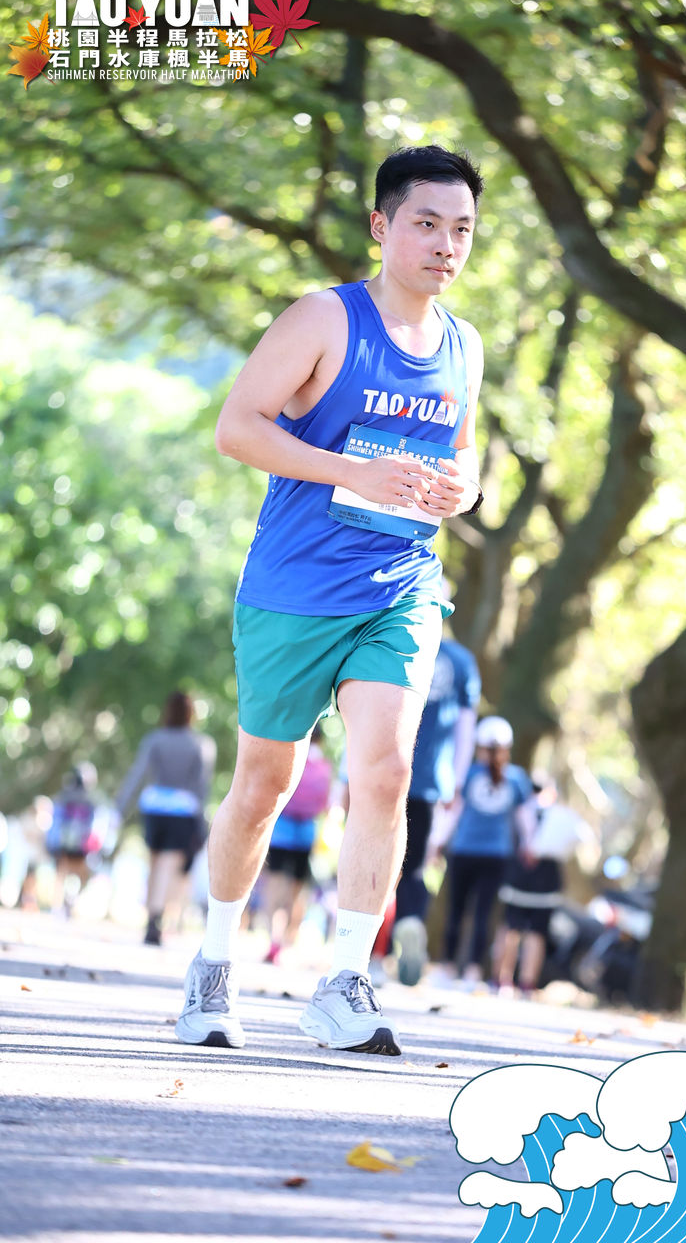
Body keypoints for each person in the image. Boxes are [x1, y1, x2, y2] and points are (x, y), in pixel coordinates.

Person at [175, 145, 485, 1057]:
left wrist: (461, 491)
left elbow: (465, 455)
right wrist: (352, 471)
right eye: (425, 224)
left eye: (461, 229)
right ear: (382, 226)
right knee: (263, 787)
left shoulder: (464, 345)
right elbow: (237, 428)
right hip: (295, 589)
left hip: (400, 584)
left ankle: (346, 980)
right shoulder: (323, 318)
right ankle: (213, 962)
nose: (444, 244)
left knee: (385, 771)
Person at [391, 634, 481, 986]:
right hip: (431, 780)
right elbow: (465, 728)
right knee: (414, 866)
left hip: (385, 769)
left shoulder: (395, 635)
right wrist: (456, 782)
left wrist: (347, 776)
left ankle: (368, 954)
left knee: (378, 858)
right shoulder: (462, 661)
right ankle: (410, 919)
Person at [438, 716, 535, 984]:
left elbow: (452, 813)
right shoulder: (517, 778)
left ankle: (447, 966)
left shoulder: (468, 774)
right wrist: (529, 845)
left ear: (479, 746)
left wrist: (437, 843)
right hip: (496, 855)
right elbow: (525, 818)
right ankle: (472, 970)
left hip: (464, 851)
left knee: (456, 910)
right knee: (482, 914)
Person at [116, 691, 217, 945]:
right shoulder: (200, 744)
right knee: (168, 866)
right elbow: (202, 786)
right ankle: (156, 917)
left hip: (153, 808)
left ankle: (152, 914)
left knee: (154, 863)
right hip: (182, 811)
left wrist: (120, 808)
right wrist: (202, 819)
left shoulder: (155, 739)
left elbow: (137, 774)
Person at [494, 771, 593, 995]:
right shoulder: (560, 815)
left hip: (520, 875)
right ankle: (526, 983)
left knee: (511, 928)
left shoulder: (519, 810)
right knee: (534, 933)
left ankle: (501, 981)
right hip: (544, 878)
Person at [261, 727, 333, 963]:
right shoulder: (324, 768)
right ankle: (287, 941)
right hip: (305, 834)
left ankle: (273, 939)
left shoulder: (290, 756)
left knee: (274, 886)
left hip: (281, 831)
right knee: (297, 891)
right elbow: (324, 805)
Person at [46, 763, 119, 916]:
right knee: (78, 874)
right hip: (80, 845)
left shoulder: (65, 796)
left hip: (68, 843)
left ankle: (60, 905)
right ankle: (66, 903)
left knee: (63, 873)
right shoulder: (93, 800)